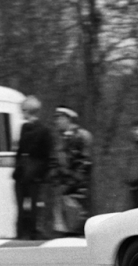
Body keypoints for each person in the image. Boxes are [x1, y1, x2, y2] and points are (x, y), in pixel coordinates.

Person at [13, 96, 54, 239]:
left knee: (34, 206)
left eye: (23, 110)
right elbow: (20, 150)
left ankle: (32, 232)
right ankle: (20, 233)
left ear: (28, 111)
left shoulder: (44, 131)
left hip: (34, 174)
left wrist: (39, 174)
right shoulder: (24, 127)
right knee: (20, 206)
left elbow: (46, 156)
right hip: (22, 173)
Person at [52, 106, 93, 235]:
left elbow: (85, 162)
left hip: (77, 185)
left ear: (68, 119)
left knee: (78, 218)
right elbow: (59, 160)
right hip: (64, 184)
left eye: (59, 118)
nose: (57, 122)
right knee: (65, 221)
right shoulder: (61, 138)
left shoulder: (82, 136)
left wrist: (75, 180)